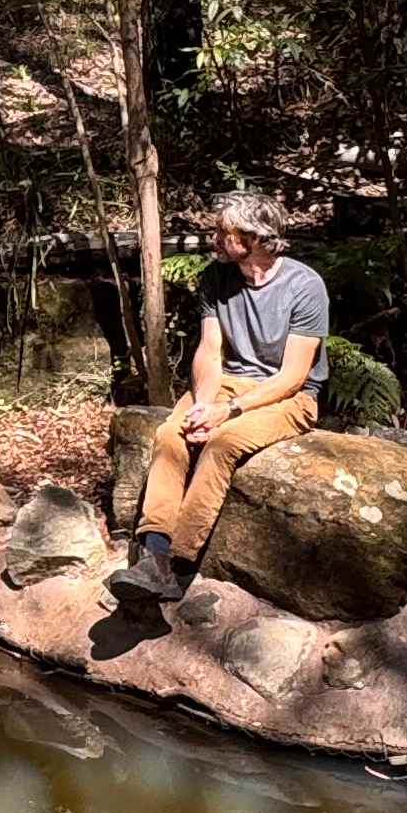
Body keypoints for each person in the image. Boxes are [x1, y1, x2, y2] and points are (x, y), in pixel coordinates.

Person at [111, 192, 328, 607]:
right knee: (172, 433)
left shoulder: (305, 286)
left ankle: (178, 563)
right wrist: (203, 404)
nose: (214, 239)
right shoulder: (216, 277)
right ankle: (153, 553)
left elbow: (293, 375)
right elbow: (210, 351)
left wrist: (226, 413)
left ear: (256, 237)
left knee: (222, 444)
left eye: (223, 233)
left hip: (290, 396)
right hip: (227, 383)